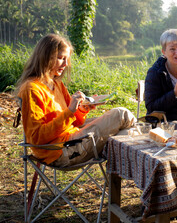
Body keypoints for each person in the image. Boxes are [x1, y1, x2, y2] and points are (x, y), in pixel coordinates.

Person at [16, 34, 135, 167]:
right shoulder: (31, 89)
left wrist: (81, 109)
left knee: (125, 134)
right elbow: (36, 138)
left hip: (72, 139)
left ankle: (141, 162)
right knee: (121, 115)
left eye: (66, 59)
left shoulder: (56, 84)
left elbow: (76, 122)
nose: (66, 64)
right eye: (60, 58)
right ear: (45, 58)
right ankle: (148, 157)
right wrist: (70, 111)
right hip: (59, 150)